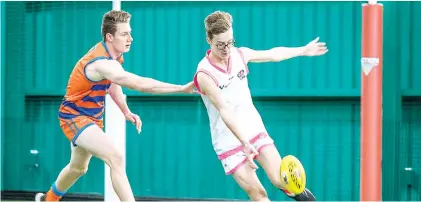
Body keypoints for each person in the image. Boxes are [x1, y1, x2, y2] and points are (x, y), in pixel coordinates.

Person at [35, 10, 195, 202]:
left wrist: (126, 111)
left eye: (130, 32)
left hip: (91, 118)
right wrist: (179, 88)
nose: (131, 38)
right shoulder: (101, 63)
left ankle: (48, 199)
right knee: (116, 158)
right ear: (110, 37)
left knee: (78, 168)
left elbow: (111, 85)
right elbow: (139, 84)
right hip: (74, 117)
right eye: (124, 34)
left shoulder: (114, 58)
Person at [193, 11, 328, 202]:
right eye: (220, 44)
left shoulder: (240, 55)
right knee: (259, 193)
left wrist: (303, 50)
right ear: (208, 40)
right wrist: (245, 143)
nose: (226, 49)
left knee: (282, 180)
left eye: (230, 42)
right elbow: (224, 110)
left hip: (253, 128)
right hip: (228, 140)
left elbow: (274, 54)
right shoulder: (205, 74)